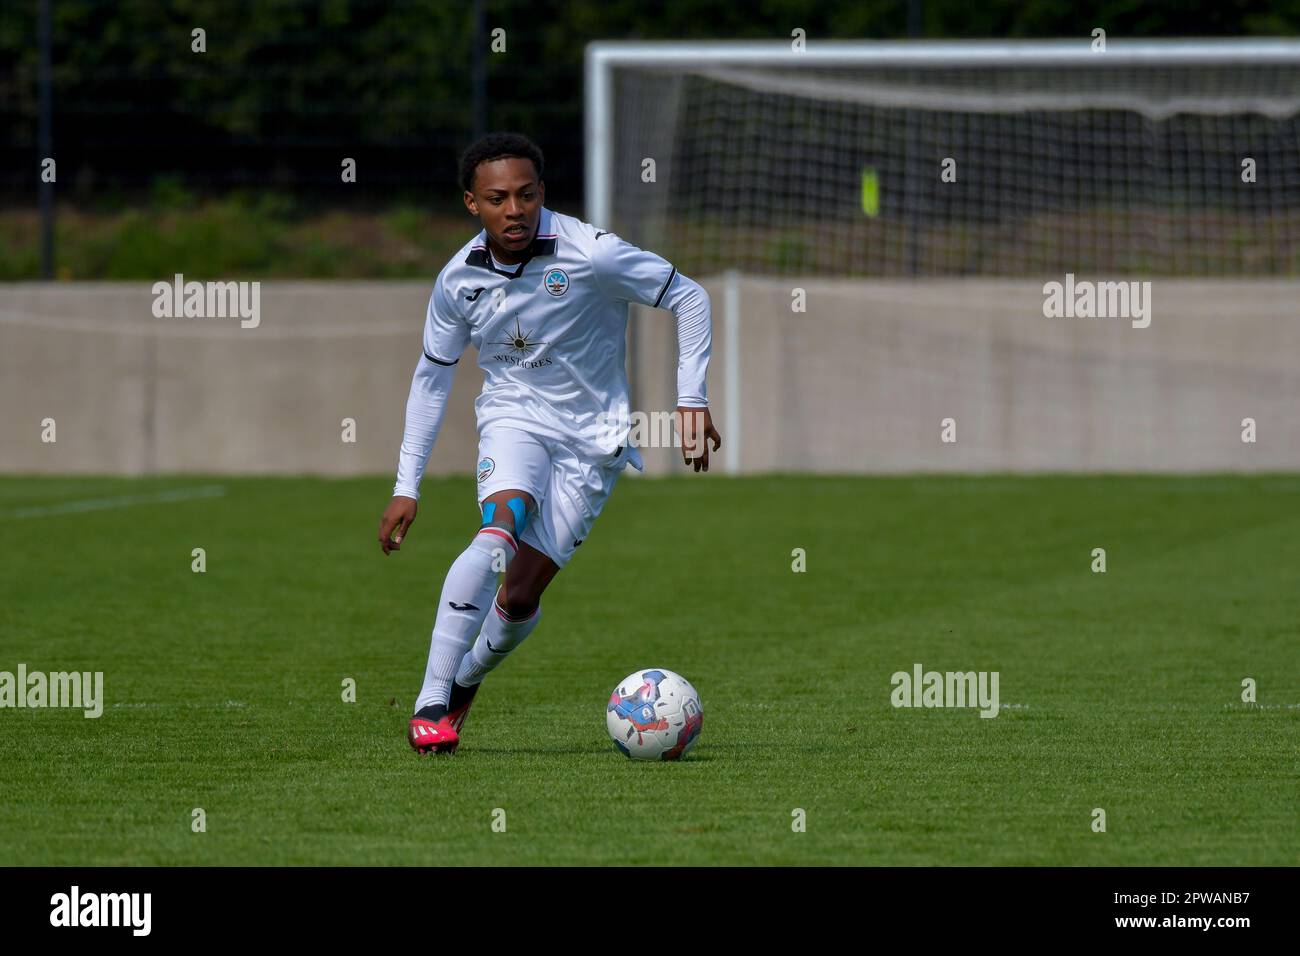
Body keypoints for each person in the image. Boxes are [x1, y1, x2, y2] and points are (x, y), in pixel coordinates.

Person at [378, 132, 720, 754]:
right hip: (515, 419)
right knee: (499, 528)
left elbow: (689, 297)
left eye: (527, 195)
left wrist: (691, 400)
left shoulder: (593, 253)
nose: (515, 210)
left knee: (519, 595)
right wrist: (408, 485)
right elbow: (431, 378)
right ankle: (430, 700)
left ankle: (463, 682)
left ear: (542, 194)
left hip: (595, 441)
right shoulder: (457, 281)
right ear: (471, 204)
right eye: (498, 198)